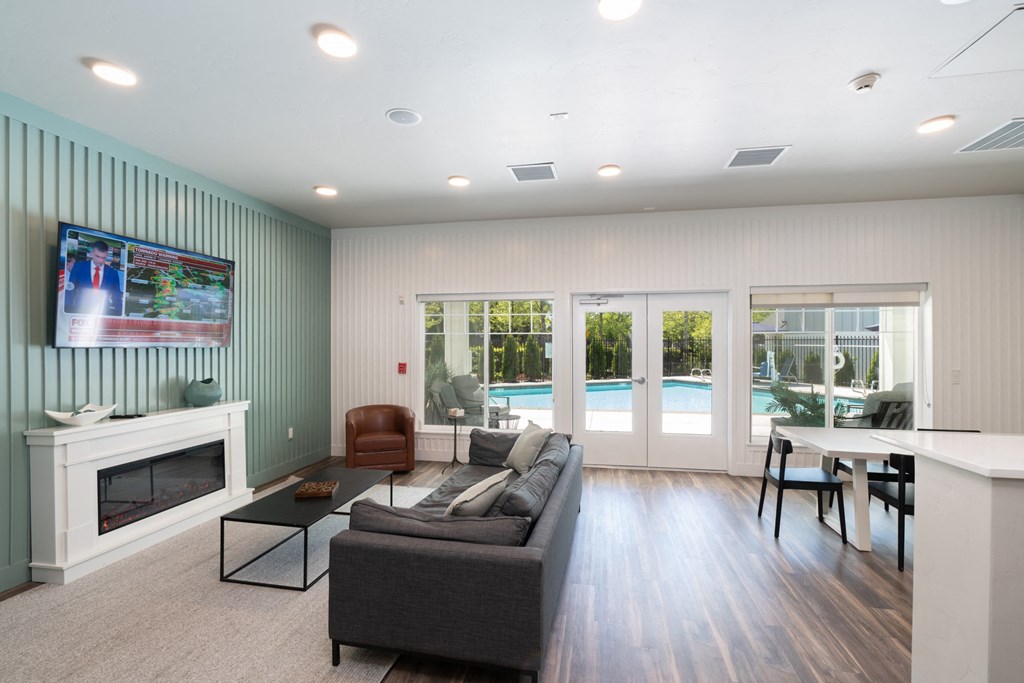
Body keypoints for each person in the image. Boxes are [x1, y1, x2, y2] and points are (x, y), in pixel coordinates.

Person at [65, 240, 123, 316]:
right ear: (91, 253)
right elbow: (70, 291)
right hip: (79, 314)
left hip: (102, 316)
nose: (100, 261)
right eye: (97, 256)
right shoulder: (78, 267)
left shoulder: (113, 273)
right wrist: (67, 312)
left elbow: (117, 297)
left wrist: (119, 317)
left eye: (103, 258)